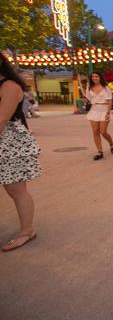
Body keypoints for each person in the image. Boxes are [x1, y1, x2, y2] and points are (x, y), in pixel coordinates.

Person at [0, 52, 41, 251]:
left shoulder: (9, 86)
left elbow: (1, 120)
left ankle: (26, 231)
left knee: (15, 189)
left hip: (9, 144)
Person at [85, 72, 113, 160]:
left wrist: (108, 113)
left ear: (100, 77)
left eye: (96, 76)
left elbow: (110, 101)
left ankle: (112, 143)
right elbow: (88, 98)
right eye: (93, 77)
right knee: (95, 132)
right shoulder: (89, 88)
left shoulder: (106, 88)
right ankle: (100, 152)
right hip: (94, 110)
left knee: (103, 132)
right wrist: (87, 89)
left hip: (104, 109)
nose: (94, 78)